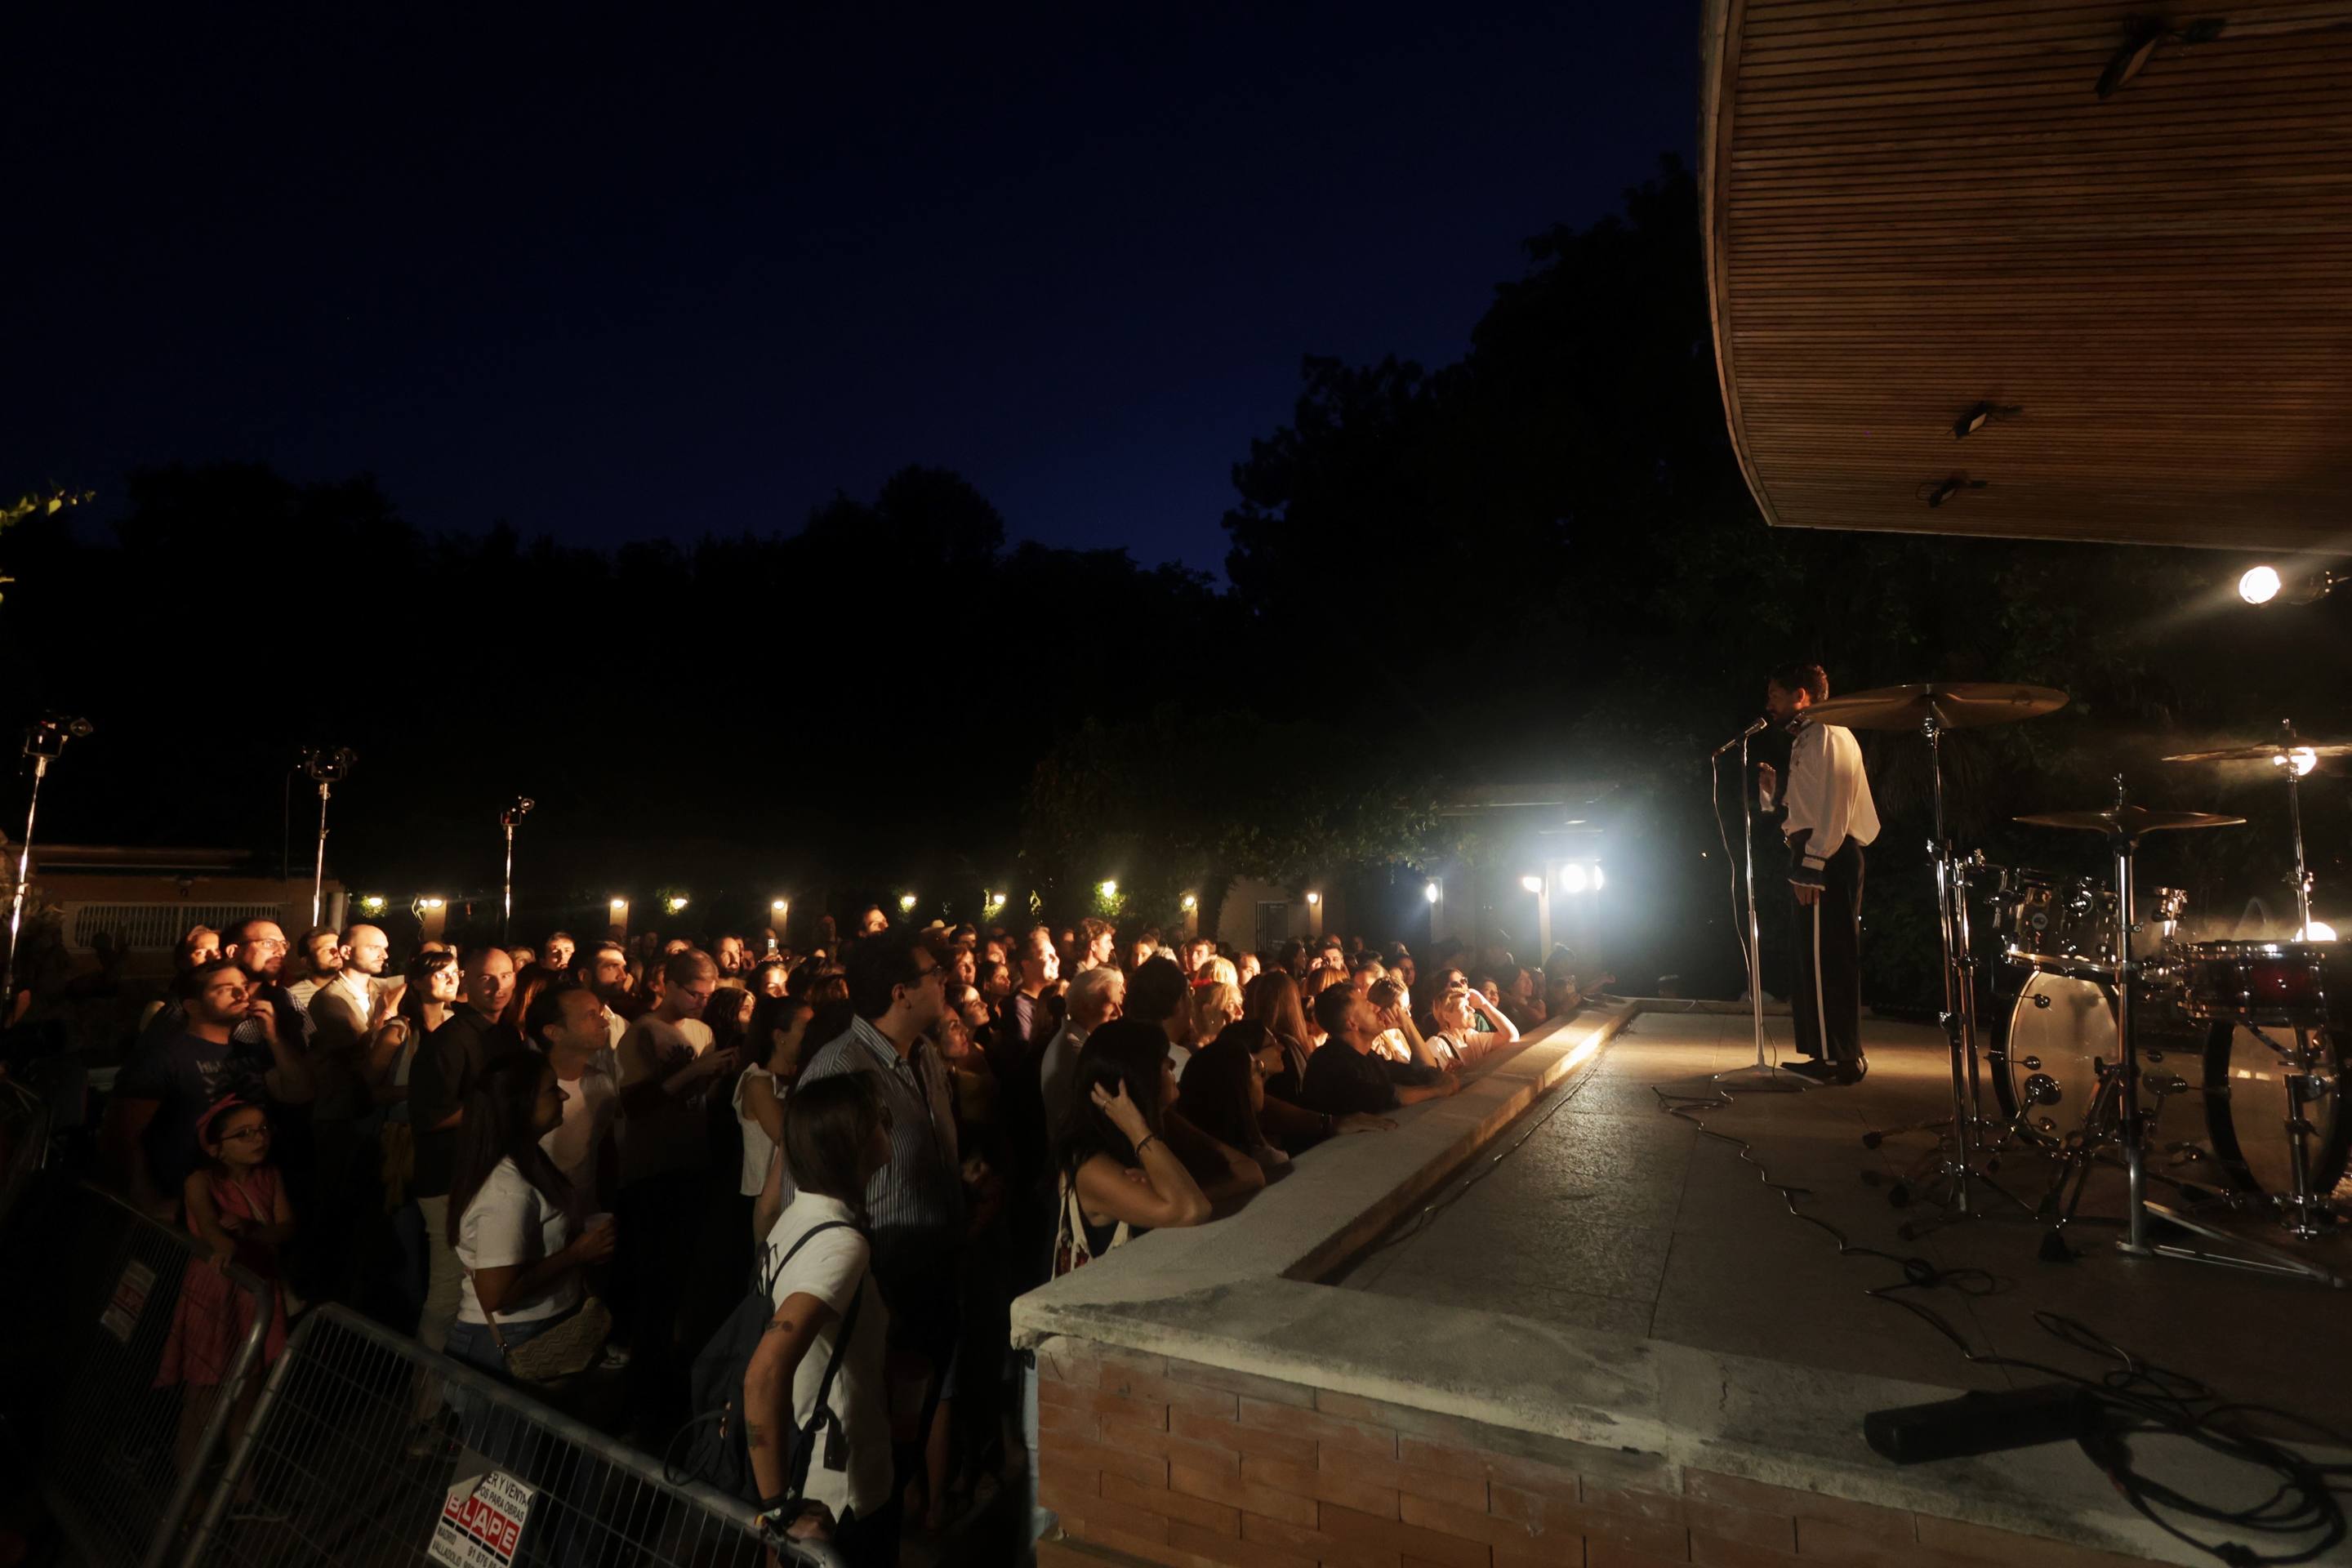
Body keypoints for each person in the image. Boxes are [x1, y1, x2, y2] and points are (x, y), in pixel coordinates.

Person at [795, 928, 963, 1527]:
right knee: (875, 1454)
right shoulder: (840, 1070)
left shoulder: (924, 1055)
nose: (945, 979)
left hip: (935, 1273)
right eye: (932, 972)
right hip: (883, 1284)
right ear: (900, 992)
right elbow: (811, 1196)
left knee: (910, 1430)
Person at [745, 1075, 897, 1566]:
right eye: (878, 1122)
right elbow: (764, 1374)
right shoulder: (839, 1245)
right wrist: (779, 1512)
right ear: (850, 1143)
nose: (887, 1131)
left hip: (807, 1467)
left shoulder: (796, 1217)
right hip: (835, 1492)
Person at [612, 948, 738, 1425]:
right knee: (655, 1285)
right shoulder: (642, 1033)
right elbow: (636, 1104)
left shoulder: (702, 1032)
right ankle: (643, 1394)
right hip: (651, 1171)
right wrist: (694, 1072)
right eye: (694, 993)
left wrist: (713, 1080)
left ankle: (672, 1381)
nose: (702, 1003)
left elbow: (693, 1102)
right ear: (669, 984)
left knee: (686, 1280)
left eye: (709, 996)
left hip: (692, 1164)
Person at [155, 1096, 292, 1516]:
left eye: (263, 1129)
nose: (259, 1138)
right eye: (244, 1133)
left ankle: (245, 1494)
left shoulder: (269, 1176)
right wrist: (231, 1242)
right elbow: (211, 1228)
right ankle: (188, 1497)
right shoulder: (200, 1181)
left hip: (256, 1293)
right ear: (216, 1146)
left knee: (247, 1394)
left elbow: (287, 1227)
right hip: (216, 1294)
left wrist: (249, 1232)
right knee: (203, 1398)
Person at [443, 1050, 617, 1378]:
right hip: (510, 1341)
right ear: (519, 1105)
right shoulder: (507, 1190)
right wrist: (576, 1254)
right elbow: (496, 1293)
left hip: (536, 1328)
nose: (564, 1094)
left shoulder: (528, 1159)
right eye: (552, 1090)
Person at [109, 960, 310, 1220]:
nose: (242, 994)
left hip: (246, 1202)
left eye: (242, 986)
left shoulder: (252, 1051)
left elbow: (301, 1093)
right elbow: (123, 1134)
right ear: (192, 1006)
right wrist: (150, 1203)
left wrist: (273, 1037)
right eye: (225, 989)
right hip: (184, 1203)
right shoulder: (164, 1057)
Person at [1757, 661, 1880, 1085]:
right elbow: (1807, 808)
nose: (1769, 703)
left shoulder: (1830, 733)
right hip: (1813, 852)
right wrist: (1773, 801)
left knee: (1829, 957)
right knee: (1811, 958)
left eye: (1775, 694)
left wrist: (1813, 863)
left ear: (1801, 696)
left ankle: (1842, 1060)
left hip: (1827, 855)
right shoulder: (1807, 738)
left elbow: (1837, 805)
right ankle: (1824, 1055)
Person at [408, 947, 523, 1366]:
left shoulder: (506, 1034)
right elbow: (427, 1116)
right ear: (465, 983)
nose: (497, 987)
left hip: (489, 1176)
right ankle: (426, 1403)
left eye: (506, 976)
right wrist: (497, 1108)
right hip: (449, 1181)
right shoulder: (450, 1041)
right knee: (449, 1288)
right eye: (486, 979)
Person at [1052, 1021, 1214, 1254]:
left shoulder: (1162, 1125)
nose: (1173, 1063)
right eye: (1161, 1060)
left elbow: (1248, 1172)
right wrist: (1137, 1130)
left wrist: (1157, 1181)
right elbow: (1193, 1209)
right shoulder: (1091, 1167)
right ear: (1137, 1076)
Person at [302, 922, 399, 1298]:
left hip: (368, 1111)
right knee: (335, 1201)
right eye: (374, 947)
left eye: (385, 947)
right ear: (345, 952)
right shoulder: (328, 999)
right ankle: (328, 1287)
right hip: (339, 1114)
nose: (383, 954)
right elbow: (361, 1054)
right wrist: (386, 1026)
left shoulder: (379, 991)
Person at [1298, 986, 1459, 1117]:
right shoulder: (1329, 1062)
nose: (1377, 1008)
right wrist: (1438, 1090)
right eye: (1367, 1005)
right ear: (1352, 1023)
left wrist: (1406, 1024)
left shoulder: (1367, 1056)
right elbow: (1388, 1097)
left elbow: (1424, 1070)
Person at [528, 982, 620, 1201]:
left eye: (599, 1013)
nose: (604, 1022)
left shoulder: (601, 1083)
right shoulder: (527, 1091)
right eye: (590, 1016)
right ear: (554, 1032)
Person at [736, 994, 817, 1233]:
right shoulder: (758, 1083)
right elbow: (788, 1138)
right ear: (780, 1036)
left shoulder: (796, 1079)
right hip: (770, 1203)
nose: (811, 1036)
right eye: (805, 1028)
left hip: (795, 1197)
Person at [1038, 964, 1122, 1137]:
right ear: (1085, 1007)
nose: (1120, 1013)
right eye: (1111, 1005)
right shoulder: (1075, 1051)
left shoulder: (1078, 1041)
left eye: (1120, 1004)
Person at [1125, 956, 1193, 1079]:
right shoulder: (1182, 1063)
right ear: (1179, 1003)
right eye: (1188, 993)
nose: (1192, 1002)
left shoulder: (1119, 1050)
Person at [286, 926, 342, 1012]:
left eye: (338, 947)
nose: (337, 953)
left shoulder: (356, 989)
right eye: (326, 950)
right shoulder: (293, 998)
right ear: (307, 962)